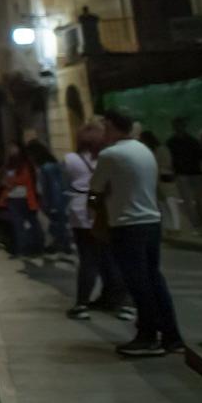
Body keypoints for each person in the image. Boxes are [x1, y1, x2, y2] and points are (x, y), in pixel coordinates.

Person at [92, 111, 184, 357]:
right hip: (151, 221)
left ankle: (148, 336)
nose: (102, 133)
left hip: (126, 224)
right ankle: (172, 336)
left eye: (104, 128)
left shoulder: (110, 155)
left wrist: (93, 205)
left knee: (137, 282)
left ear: (111, 127)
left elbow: (94, 191)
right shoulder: (144, 151)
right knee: (154, 278)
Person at [62, 119, 130, 321]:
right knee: (110, 257)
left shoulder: (71, 159)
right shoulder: (108, 158)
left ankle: (82, 303)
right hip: (104, 211)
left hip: (80, 211)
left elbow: (68, 184)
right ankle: (120, 301)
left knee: (88, 259)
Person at [30, 138, 71, 256]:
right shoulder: (51, 164)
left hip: (53, 199)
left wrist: (53, 203)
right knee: (58, 222)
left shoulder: (47, 167)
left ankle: (61, 244)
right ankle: (62, 244)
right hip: (56, 199)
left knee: (57, 222)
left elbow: (54, 186)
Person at [166, 117, 202, 232]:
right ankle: (197, 224)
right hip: (189, 173)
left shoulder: (172, 142)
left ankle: (198, 224)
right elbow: (200, 156)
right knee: (192, 201)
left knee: (194, 200)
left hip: (188, 173)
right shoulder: (190, 140)